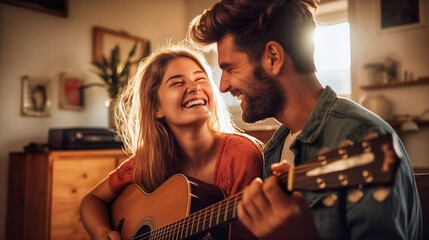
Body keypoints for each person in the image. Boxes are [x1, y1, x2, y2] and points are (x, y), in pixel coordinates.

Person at [188, 0, 422, 239]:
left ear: (273, 58)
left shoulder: (361, 136)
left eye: (231, 68)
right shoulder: (274, 149)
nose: (223, 85)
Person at [80, 43, 263, 240]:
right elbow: (92, 200)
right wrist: (102, 233)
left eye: (200, 78)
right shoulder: (148, 160)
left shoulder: (240, 153)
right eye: (178, 82)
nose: (195, 87)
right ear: (157, 108)